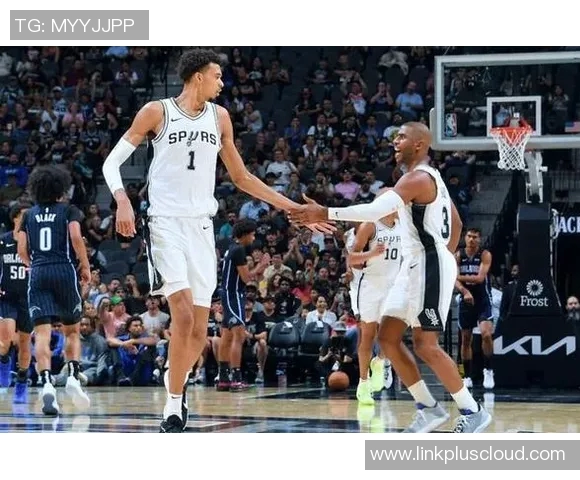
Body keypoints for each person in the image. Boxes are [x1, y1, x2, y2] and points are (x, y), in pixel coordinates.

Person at [101, 48, 333, 433]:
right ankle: (173, 404)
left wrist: (292, 207)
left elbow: (241, 178)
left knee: (198, 331)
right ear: (198, 77)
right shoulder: (157, 112)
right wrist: (122, 199)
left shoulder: (220, 117)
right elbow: (112, 162)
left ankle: (174, 377)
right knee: (182, 315)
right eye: (217, 76)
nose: (222, 83)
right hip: (165, 224)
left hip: (202, 228)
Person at [289, 122, 492, 433]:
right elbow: (458, 222)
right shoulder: (431, 179)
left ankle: (472, 410)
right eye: (394, 135)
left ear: (420, 144)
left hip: (427, 264)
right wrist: (443, 254)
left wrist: (325, 212)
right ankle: (428, 409)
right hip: (415, 265)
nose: (394, 141)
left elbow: (375, 211)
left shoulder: (419, 178)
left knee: (425, 344)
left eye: (401, 136)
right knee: (386, 338)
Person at [17, 165, 91, 416]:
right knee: (72, 331)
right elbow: (76, 237)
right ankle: (72, 376)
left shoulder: (29, 215)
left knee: (42, 333)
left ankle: (47, 382)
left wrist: (32, 264)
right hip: (64, 270)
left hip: (39, 271)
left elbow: (22, 248)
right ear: (61, 187)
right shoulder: (69, 210)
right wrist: (85, 266)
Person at [346, 201, 401, 405]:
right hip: (370, 285)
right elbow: (351, 259)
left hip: (394, 285)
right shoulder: (370, 225)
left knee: (390, 333)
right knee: (367, 336)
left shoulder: (405, 224)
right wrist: (371, 254)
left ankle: (380, 361)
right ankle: (363, 383)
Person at [217, 219, 263, 392]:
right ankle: (236, 378)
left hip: (228, 293)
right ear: (244, 235)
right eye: (252, 234)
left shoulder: (231, 248)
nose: (253, 238)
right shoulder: (239, 250)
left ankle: (223, 378)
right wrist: (261, 266)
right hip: (234, 294)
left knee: (227, 336)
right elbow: (246, 278)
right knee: (239, 335)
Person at [0, 202, 33, 404]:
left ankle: (21, 383)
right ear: (15, 218)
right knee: (5, 340)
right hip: (6, 297)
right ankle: (4, 364)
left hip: (28, 298)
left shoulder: (34, 243)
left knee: (24, 345)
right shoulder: (3, 241)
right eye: (24, 215)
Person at [455, 227, 495, 389]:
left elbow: (479, 278)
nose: (471, 239)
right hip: (466, 300)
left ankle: (489, 370)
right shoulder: (458, 255)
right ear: (465, 238)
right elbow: (454, 281)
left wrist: (458, 276)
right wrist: (464, 291)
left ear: (479, 240)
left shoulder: (484, 255)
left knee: (486, 335)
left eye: (475, 237)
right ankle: (467, 376)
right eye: (469, 236)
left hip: (482, 299)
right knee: (466, 340)